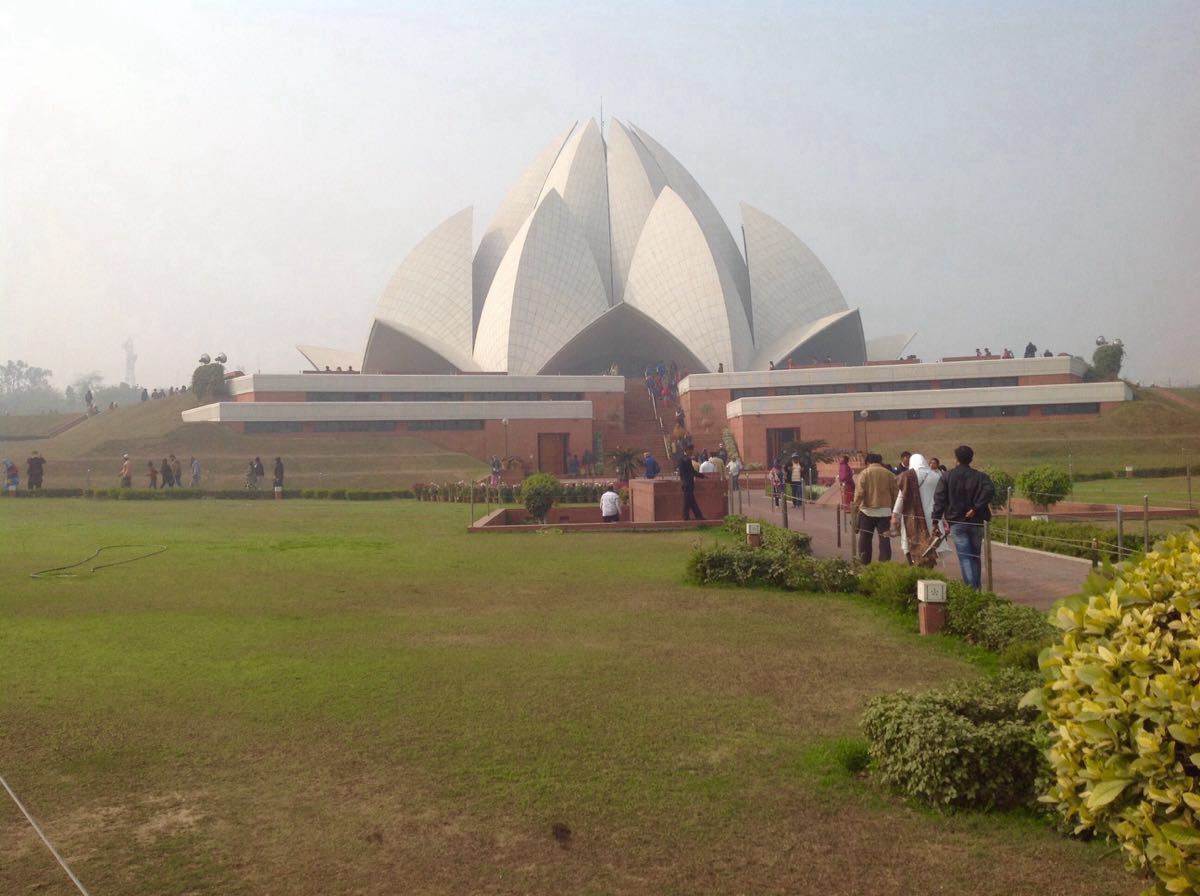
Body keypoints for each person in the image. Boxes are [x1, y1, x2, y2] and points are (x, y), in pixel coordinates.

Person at [931, 445, 995, 590]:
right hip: (977, 521)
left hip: (956, 521)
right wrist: (976, 508)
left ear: (957, 459)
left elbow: (939, 500)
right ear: (971, 458)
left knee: (965, 557)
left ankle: (971, 590)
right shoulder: (980, 476)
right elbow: (989, 491)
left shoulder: (947, 476)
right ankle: (976, 588)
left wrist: (935, 521)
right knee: (975, 556)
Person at [890, 454, 946, 568]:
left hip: (912, 516)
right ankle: (928, 569)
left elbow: (901, 497)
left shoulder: (907, 476)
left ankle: (914, 568)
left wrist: (895, 515)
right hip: (932, 516)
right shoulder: (936, 476)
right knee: (930, 544)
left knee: (910, 541)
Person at [852, 453, 899, 564]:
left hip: (867, 510)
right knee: (884, 539)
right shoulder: (889, 474)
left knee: (865, 538)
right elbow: (895, 494)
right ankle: (884, 563)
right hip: (885, 511)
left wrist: (855, 507)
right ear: (880, 461)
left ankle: (864, 562)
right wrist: (893, 509)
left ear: (867, 462)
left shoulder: (864, 473)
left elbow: (859, 493)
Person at [677, 447, 705, 520]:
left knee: (691, 501)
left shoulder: (685, 459)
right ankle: (686, 517)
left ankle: (698, 516)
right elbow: (685, 472)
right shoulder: (685, 459)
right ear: (686, 450)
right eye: (690, 450)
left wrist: (702, 475)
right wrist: (701, 476)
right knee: (687, 501)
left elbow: (691, 471)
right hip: (687, 484)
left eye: (692, 450)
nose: (692, 452)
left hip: (687, 483)